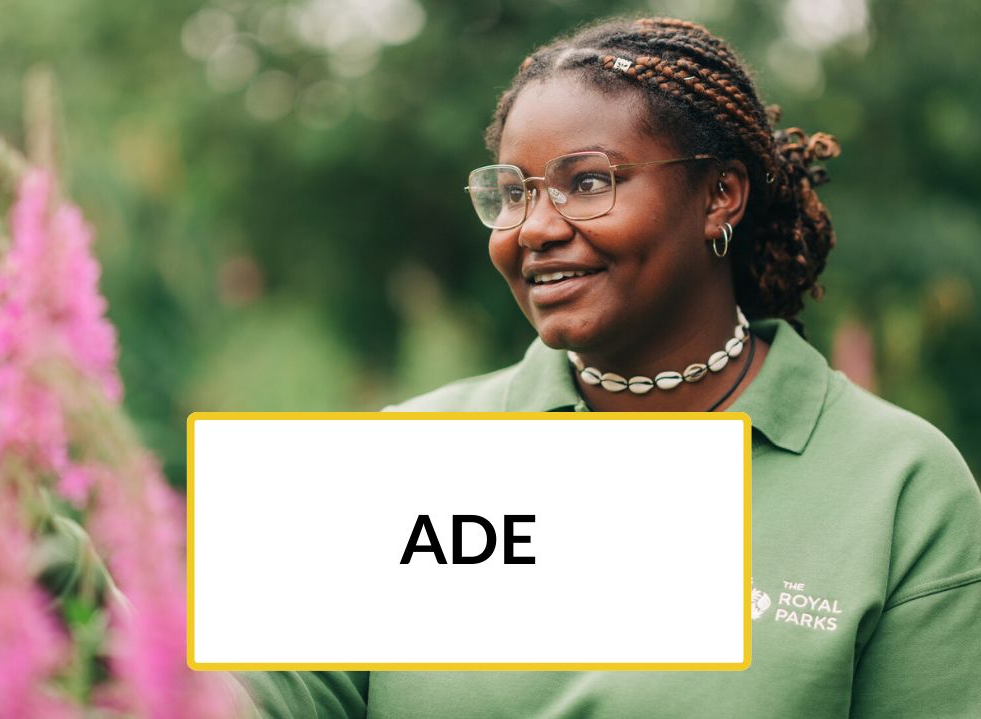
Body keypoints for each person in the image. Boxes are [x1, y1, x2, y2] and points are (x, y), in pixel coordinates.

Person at [237, 16, 981, 718]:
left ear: (720, 194)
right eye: (513, 193)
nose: (535, 228)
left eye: (587, 183)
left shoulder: (897, 487)